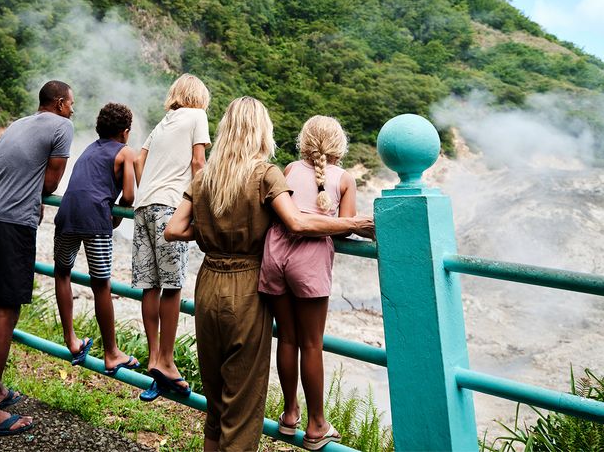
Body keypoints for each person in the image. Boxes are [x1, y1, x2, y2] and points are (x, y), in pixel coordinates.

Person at [164, 97, 374, 452]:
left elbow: (173, 229)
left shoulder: (205, 175)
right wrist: (355, 222)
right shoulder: (265, 173)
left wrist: (211, 234)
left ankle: (286, 415)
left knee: (215, 405)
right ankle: (311, 422)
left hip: (208, 282)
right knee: (242, 406)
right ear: (262, 131)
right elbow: (295, 222)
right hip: (246, 285)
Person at [0, 80, 75, 439]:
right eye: (71, 103)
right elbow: (49, 185)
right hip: (13, 222)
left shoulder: (16, 124)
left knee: (0, 305)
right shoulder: (62, 127)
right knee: (6, 310)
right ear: (59, 103)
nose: (73, 109)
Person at [259, 116, 356, 450]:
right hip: (309, 260)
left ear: (304, 141)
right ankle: (317, 425)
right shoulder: (344, 179)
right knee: (311, 344)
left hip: (275, 254)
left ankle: (289, 414)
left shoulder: (288, 170)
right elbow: (345, 227)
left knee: (286, 338)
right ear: (338, 144)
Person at [131, 73, 211, 401]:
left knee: (151, 285)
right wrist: (200, 207)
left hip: (143, 207)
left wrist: (147, 188)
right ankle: (166, 361)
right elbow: (198, 162)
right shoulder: (197, 116)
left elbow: (139, 159)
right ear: (199, 96)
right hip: (169, 207)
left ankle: (153, 357)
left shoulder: (164, 122)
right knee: (173, 285)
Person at [53, 103, 140, 376]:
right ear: (125, 132)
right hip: (95, 219)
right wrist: (115, 220)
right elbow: (128, 196)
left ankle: (71, 339)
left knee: (62, 273)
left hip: (67, 215)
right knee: (101, 284)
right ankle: (112, 352)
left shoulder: (89, 149)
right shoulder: (125, 152)